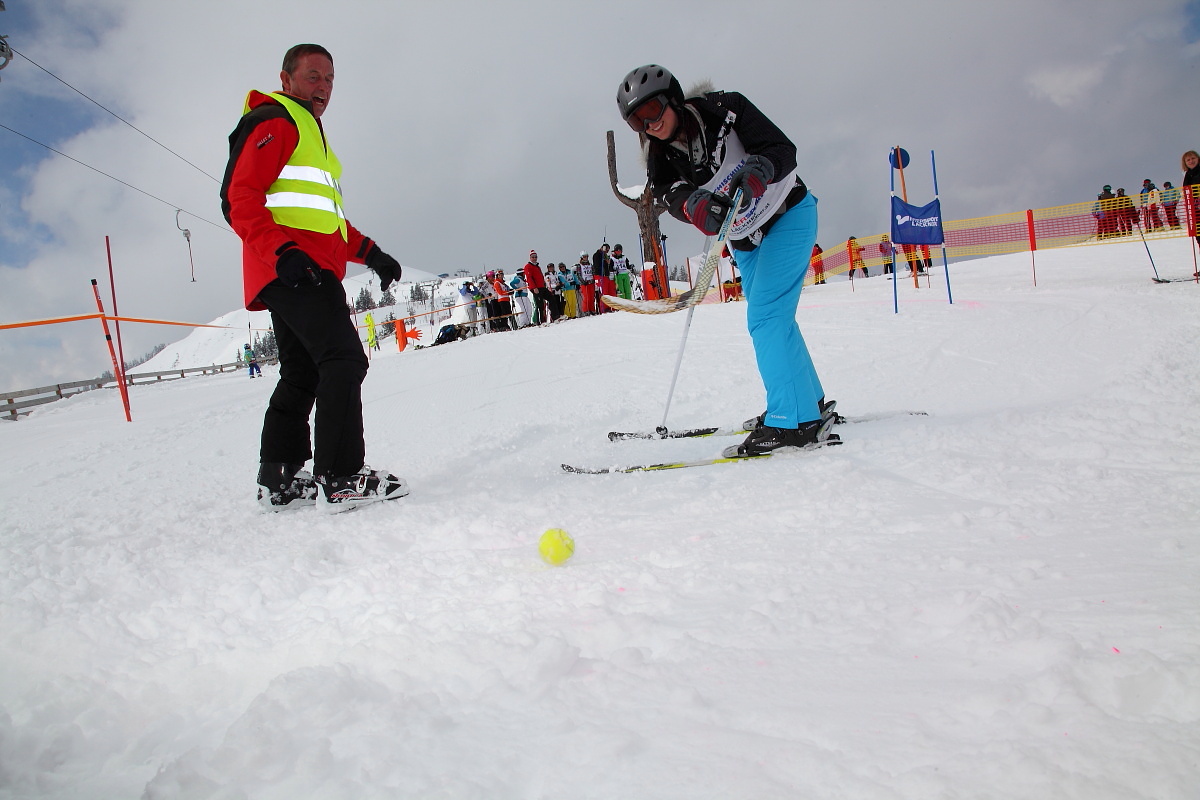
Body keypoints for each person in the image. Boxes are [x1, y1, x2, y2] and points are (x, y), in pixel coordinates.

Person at [221, 43, 407, 512]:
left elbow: (327, 223)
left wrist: (374, 254)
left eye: (328, 79)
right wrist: (281, 253)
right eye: (312, 76)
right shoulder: (275, 120)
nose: (322, 87)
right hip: (292, 268)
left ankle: (279, 479)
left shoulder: (310, 134)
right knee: (343, 359)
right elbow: (238, 198)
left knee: (302, 372)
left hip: (298, 266)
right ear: (286, 79)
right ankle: (341, 476)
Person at [617, 64, 832, 456]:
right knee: (775, 319)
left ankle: (793, 423)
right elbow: (671, 194)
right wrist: (693, 207)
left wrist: (759, 170)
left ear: (673, 99)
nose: (648, 125)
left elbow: (783, 150)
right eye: (636, 121)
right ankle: (807, 402)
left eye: (651, 112)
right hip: (744, 241)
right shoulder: (659, 157)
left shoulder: (725, 111)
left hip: (787, 214)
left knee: (766, 318)